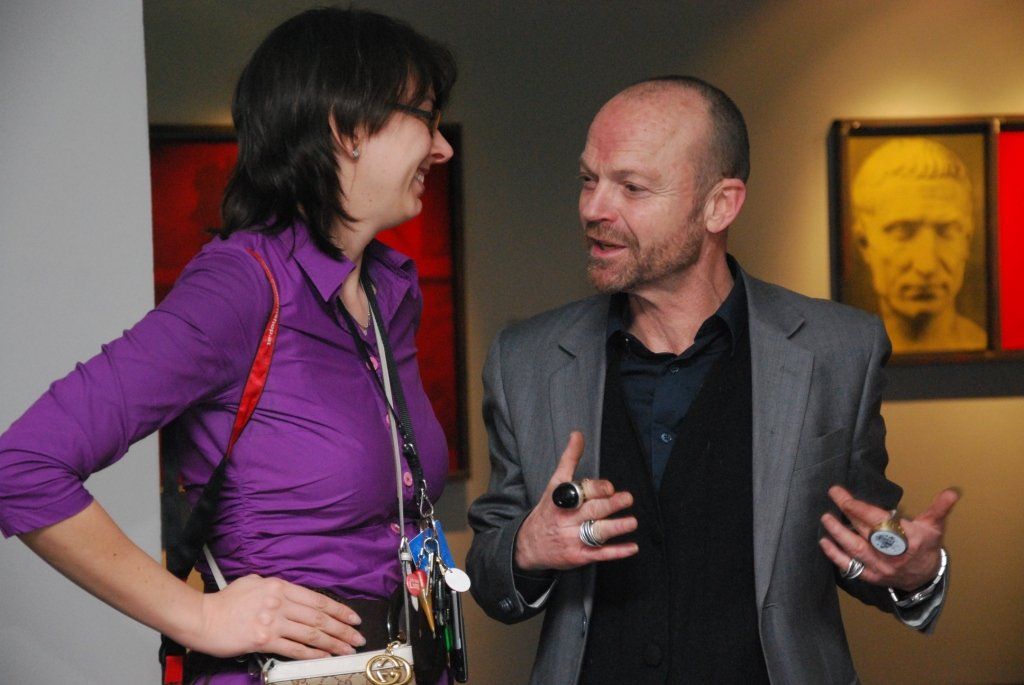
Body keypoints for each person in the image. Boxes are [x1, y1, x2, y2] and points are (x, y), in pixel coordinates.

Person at [0, 8, 455, 684]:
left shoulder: (392, 291)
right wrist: (197, 616)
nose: (443, 148)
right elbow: (24, 465)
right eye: (426, 118)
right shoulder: (242, 283)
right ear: (348, 128)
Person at [467, 76, 958, 684]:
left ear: (720, 205)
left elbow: (864, 542)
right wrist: (526, 549)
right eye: (589, 180)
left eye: (631, 187)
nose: (593, 208)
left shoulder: (838, 351)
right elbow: (488, 572)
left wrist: (915, 574)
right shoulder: (527, 360)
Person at [851, 137, 987, 352]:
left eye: (946, 232)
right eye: (902, 233)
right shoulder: (847, 354)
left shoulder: (980, 342)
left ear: (967, 240)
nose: (927, 266)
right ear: (864, 244)